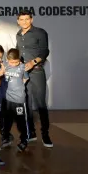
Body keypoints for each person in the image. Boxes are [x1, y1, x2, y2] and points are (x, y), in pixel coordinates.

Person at [16, 10, 52, 148]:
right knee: (27, 104)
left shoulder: (40, 32)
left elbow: (44, 51)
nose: (24, 22)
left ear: (31, 19)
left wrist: (33, 62)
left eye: (27, 19)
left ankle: (45, 134)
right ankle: (31, 132)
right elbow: (19, 52)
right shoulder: (18, 34)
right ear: (18, 21)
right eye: (21, 19)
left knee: (41, 104)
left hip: (36, 72)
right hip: (23, 74)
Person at [1, 49, 29, 152]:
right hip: (8, 99)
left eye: (16, 62)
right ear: (8, 60)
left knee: (21, 121)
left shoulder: (22, 67)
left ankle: (24, 140)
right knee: (7, 120)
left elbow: (25, 79)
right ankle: (6, 138)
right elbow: (0, 73)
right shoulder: (5, 65)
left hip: (19, 100)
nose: (14, 64)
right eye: (12, 62)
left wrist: (20, 88)